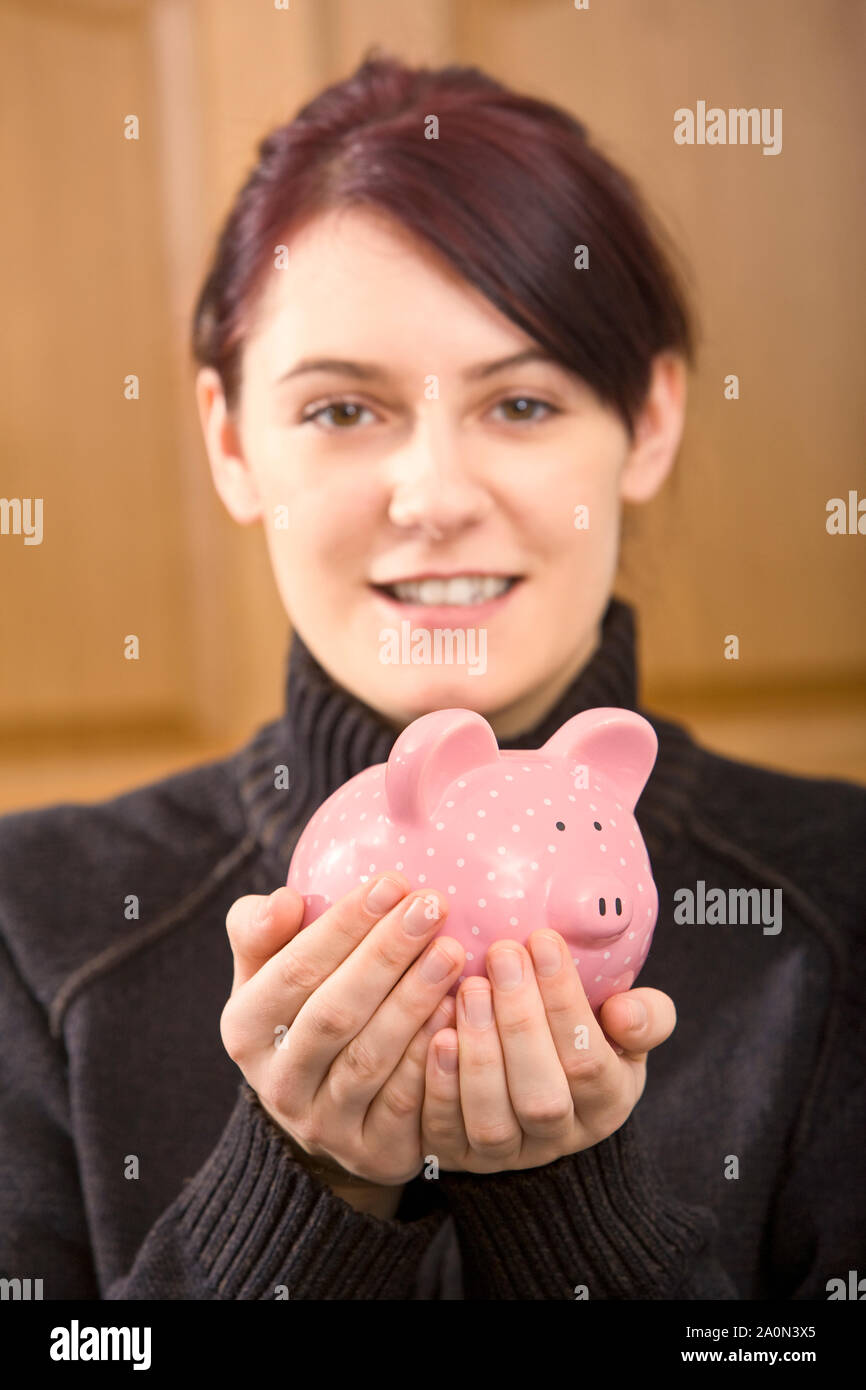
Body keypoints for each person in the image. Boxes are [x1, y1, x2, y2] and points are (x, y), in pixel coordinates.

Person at [1, 51, 863, 1302]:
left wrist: (569, 1214)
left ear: (650, 420)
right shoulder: (37, 921)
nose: (437, 498)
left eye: (520, 404)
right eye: (342, 411)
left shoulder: (836, 905)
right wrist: (297, 1195)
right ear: (232, 440)